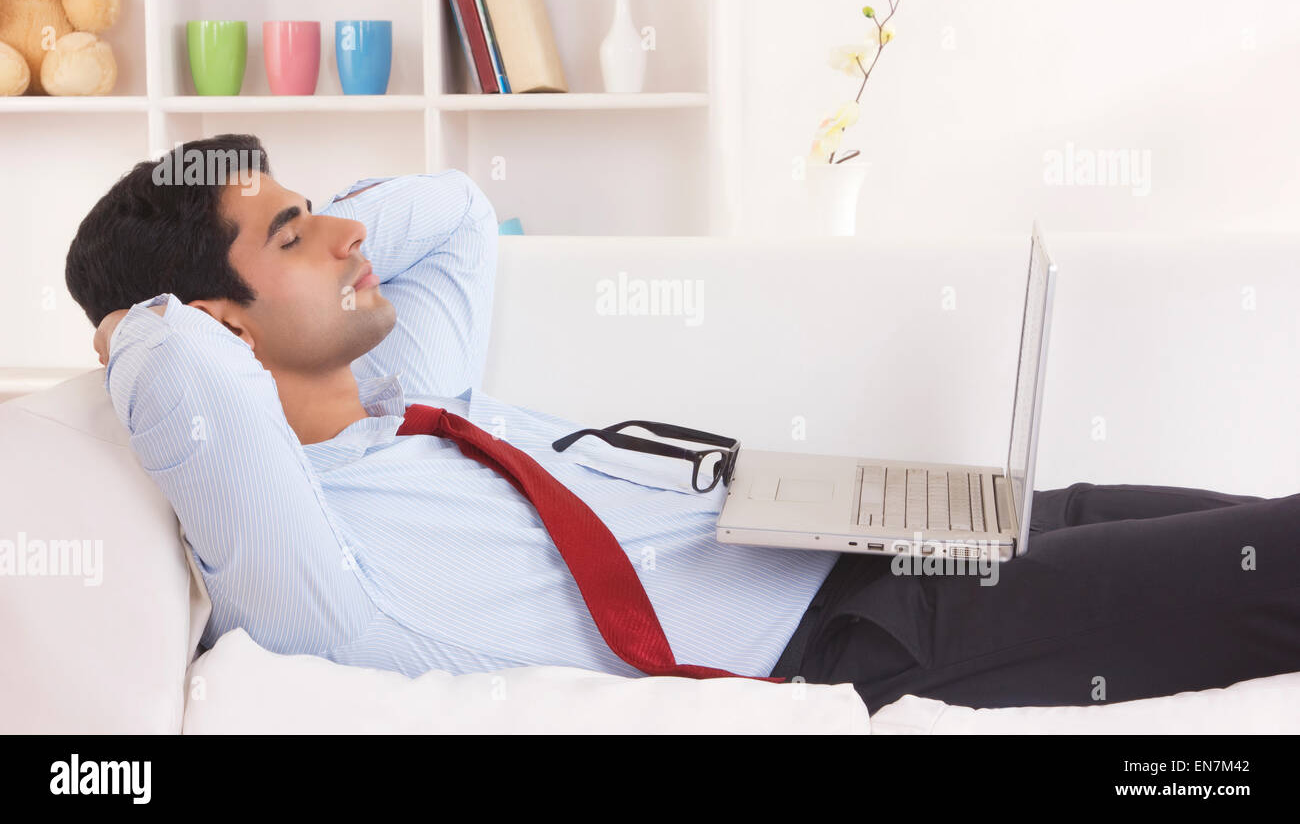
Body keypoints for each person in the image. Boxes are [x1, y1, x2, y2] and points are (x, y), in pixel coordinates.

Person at [66, 134, 1300, 714]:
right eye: (293, 235)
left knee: (1261, 538)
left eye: (327, 208)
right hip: (864, 632)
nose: (346, 233)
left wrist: (313, 232)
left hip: (886, 526)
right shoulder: (308, 561)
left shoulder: (399, 402)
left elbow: (452, 212)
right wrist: (139, 319)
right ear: (213, 323)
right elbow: (184, 374)